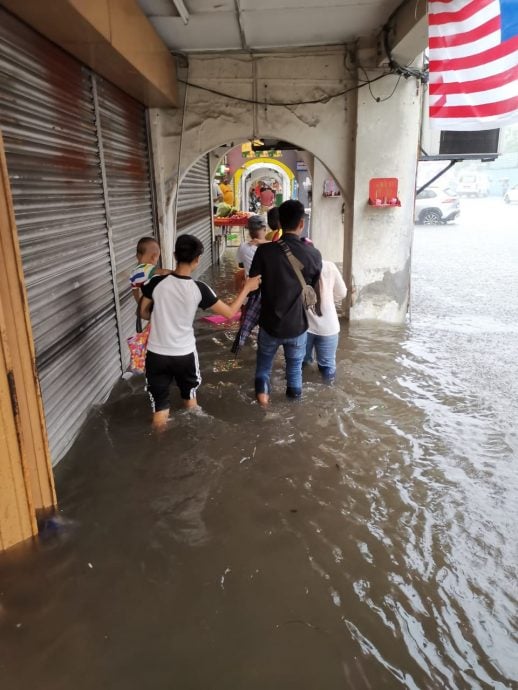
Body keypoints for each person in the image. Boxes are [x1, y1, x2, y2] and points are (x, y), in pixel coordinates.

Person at [139, 234, 260, 430]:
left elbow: (143, 312)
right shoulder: (200, 289)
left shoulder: (155, 283)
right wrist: (246, 288)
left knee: (160, 411)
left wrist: (161, 312)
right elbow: (230, 313)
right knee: (190, 403)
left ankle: (160, 444)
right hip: (184, 355)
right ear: (197, 260)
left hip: (157, 355)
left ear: (174, 254)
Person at [249, 200, 322, 405]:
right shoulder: (314, 254)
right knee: (294, 369)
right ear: (301, 223)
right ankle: (294, 409)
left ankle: (262, 404)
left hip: (269, 323)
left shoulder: (265, 252)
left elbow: (253, 283)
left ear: (279, 222)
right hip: (297, 325)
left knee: (263, 368)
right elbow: (311, 287)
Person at [304, 261, 347, 381]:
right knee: (328, 367)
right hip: (329, 327)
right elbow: (342, 292)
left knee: (302, 364)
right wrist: (328, 299)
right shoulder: (330, 266)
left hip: (305, 327)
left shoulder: (298, 266)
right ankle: (330, 395)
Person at [129, 237, 171, 303]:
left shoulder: (133, 274)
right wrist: (175, 272)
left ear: (137, 255)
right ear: (154, 257)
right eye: (157, 257)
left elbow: (135, 291)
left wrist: (139, 303)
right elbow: (163, 272)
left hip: (144, 304)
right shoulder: (147, 269)